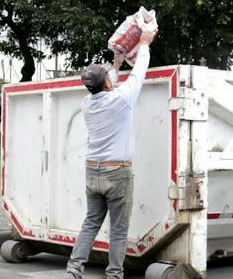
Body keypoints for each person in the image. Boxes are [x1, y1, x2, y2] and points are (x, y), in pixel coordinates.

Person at [64, 29, 156, 279]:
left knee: (91, 222)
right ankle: (114, 275)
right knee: (118, 229)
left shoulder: (88, 104)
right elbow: (139, 73)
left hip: (92, 171)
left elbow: (106, 81)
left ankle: (73, 272)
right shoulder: (122, 99)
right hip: (117, 173)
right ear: (106, 83)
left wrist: (116, 62)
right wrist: (145, 43)